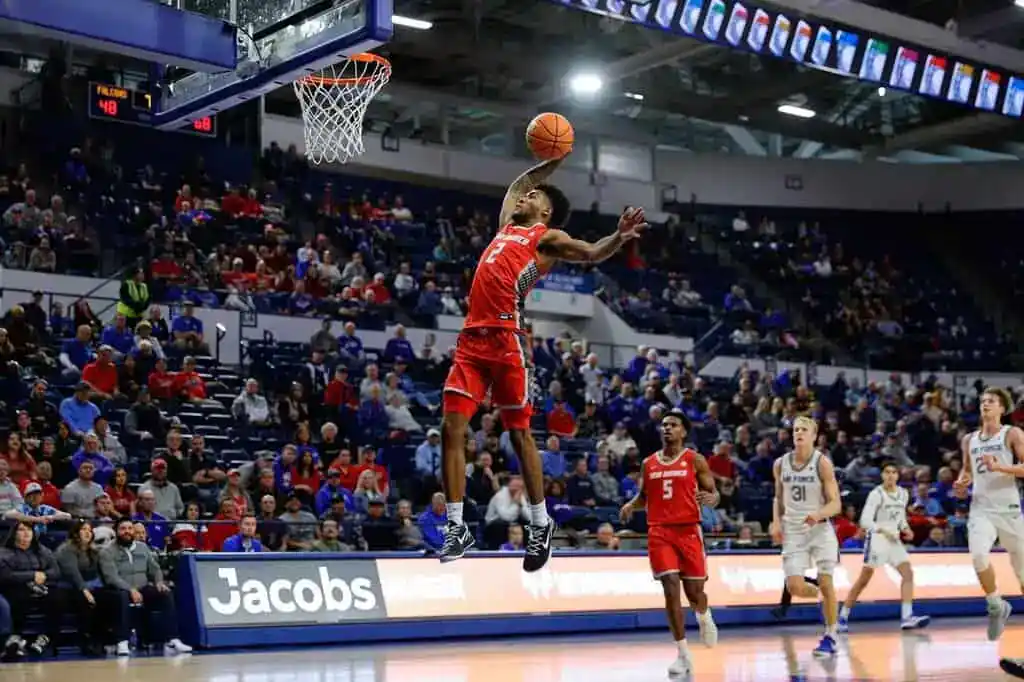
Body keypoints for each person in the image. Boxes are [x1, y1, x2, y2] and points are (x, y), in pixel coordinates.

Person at [439, 154, 648, 572]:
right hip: (471, 341)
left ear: (546, 211)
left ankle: (539, 523)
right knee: (450, 428)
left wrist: (619, 236)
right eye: (526, 195)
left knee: (520, 435)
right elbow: (518, 185)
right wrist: (552, 159)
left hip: (507, 341)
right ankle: (457, 526)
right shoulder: (506, 226)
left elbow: (590, 253)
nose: (525, 197)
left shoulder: (546, 237)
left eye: (534, 197)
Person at [619, 410, 719, 678]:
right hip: (660, 532)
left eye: (673, 425)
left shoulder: (695, 460)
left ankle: (703, 614)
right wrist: (631, 505)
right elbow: (644, 497)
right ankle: (682, 654)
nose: (667, 428)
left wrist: (714, 498)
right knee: (671, 588)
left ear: (683, 431)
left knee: (695, 592)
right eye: (664, 425)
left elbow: (712, 492)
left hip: (688, 530)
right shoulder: (648, 463)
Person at [954, 386, 1024, 641]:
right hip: (980, 508)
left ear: (1002, 408)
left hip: (1008, 509)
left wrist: (1000, 467)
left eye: (991, 401)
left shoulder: (1012, 433)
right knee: (978, 557)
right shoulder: (969, 440)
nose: (985, 404)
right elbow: (967, 470)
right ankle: (996, 605)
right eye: (983, 401)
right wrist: (962, 483)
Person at [770, 415, 842, 658]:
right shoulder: (780, 463)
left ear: (814, 435)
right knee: (795, 586)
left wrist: (819, 514)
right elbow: (778, 497)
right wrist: (776, 522)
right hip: (793, 530)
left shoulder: (822, 463)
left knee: (826, 580)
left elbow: (836, 504)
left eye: (804, 429)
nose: (799, 433)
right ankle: (824, 597)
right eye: (796, 429)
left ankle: (830, 635)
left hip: (820, 529)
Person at [838, 462, 930, 632]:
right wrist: (883, 530)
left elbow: (900, 518)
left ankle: (907, 617)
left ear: (898, 475)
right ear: (882, 475)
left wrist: (906, 529)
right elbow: (865, 521)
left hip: (894, 541)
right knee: (863, 580)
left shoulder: (903, 493)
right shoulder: (876, 494)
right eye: (887, 472)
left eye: (894, 472)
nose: (890, 475)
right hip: (877, 539)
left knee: (908, 573)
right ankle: (842, 617)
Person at [98, 518, 193, 656]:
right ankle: (122, 641)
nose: (127, 532)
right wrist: (130, 590)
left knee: (166, 594)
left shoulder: (142, 547)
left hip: (142, 588)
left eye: (130, 528)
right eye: (123, 529)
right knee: (122, 597)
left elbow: (155, 569)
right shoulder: (107, 551)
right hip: (118, 589)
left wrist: (159, 582)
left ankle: (172, 639)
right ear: (116, 531)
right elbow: (111, 577)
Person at [0, 521, 62, 659]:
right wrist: (31, 575)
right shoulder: (4, 552)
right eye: (22, 530)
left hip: (41, 586)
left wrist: (44, 575)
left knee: (58, 598)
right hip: (16, 587)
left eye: (29, 530)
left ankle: (45, 638)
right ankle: (15, 638)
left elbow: (56, 571)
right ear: (14, 534)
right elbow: (5, 575)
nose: (26, 533)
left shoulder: (42, 550)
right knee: (17, 598)